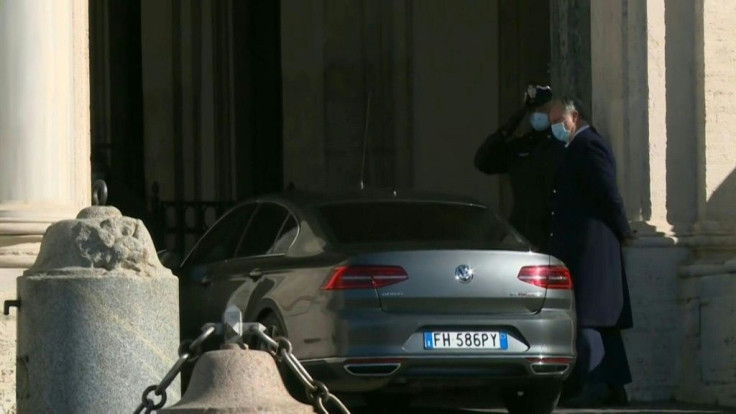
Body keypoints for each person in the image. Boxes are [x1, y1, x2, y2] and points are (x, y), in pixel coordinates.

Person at [546, 97, 634, 407]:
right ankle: (614, 386)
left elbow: (608, 191)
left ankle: (594, 384)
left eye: (558, 120)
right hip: (583, 247)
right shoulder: (573, 148)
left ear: (575, 116)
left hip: (592, 248)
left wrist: (623, 229)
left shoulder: (590, 145)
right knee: (601, 318)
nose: (554, 126)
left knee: (590, 317)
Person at [474, 85, 565, 253]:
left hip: (553, 230)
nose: (537, 113)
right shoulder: (520, 146)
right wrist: (509, 127)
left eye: (541, 109)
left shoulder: (560, 144)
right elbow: (482, 161)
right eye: (533, 110)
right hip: (524, 230)